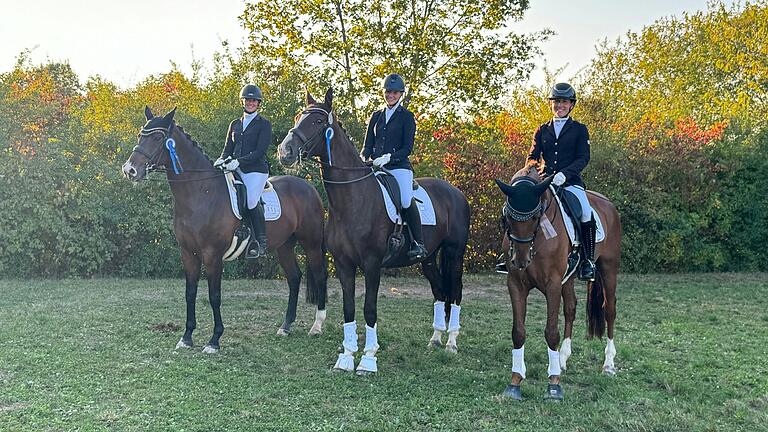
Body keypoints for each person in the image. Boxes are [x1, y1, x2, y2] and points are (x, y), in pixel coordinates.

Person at [527, 82, 597, 281]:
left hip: (570, 182)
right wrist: (534, 170)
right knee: (520, 207)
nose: (560, 106)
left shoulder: (580, 130)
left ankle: (588, 261)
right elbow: (532, 156)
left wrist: (565, 174)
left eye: (564, 102)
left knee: (585, 211)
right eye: (556, 102)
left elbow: (583, 158)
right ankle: (510, 254)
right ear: (551, 104)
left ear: (571, 105)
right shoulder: (542, 130)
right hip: (545, 182)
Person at [361, 73, 427, 259]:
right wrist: (364, 157)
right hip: (375, 167)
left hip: (399, 167)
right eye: (388, 91)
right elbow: (367, 145)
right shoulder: (376, 116)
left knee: (405, 199)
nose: (391, 95)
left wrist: (388, 158)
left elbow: (407, 148)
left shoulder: (407, 117)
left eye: (395, 92)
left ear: (401, 94)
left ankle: (418, 243)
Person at [215, 84, 272, 259]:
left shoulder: (264, 124)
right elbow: (227, 149)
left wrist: (238, 161)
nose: (250, 103)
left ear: (258, 103)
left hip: (256, 170)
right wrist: (222, 160)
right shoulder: (235, 124)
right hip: (236, 169)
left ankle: (260, 243)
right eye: (248, 100)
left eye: (253, 100)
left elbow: (259, 152)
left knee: (251, 201)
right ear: (243, 101)